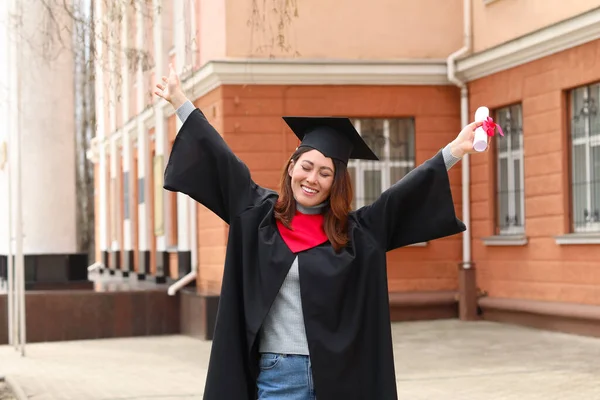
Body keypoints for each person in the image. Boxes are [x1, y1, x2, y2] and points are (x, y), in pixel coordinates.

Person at [155, 64, 486, 400]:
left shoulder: (354, 233)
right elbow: (221, 158)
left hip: (342, 377)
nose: (312, 179)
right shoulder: (259, 217)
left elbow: (401, 197)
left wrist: (455, 150)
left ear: (335, 183)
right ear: (292, 167)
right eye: (307, 167)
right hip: (279, 375)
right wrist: (180, 101)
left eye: (325, 173)